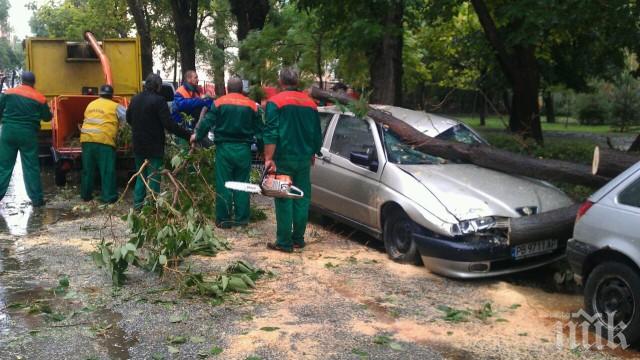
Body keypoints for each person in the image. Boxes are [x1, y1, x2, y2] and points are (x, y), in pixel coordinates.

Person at [263, 68, 322, 253]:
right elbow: (316, 132)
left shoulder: (275, 102)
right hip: (304, 158)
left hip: (283, 158)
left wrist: (268, 158)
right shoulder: (311, 104)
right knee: (301, 197)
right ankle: (298, 239)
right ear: (297, 82)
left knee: (283, 198)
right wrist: (313, 152)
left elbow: (271, 131)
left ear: (281, 81)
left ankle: (284, 242)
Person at [190, 77, 262, 228]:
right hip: (243, 150)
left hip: (224, 149)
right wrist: (262, 149)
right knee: (242, 184)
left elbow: (207, 122)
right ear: (241, 89)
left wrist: (197, 136)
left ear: (228, 89)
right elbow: (260, 131)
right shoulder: (252, 105)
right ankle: (242, 220)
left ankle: (223, 220)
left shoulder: (219, 103)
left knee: (224, 184)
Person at [127, 74, 192, 209]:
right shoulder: (159, 100)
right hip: (154, 146)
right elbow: (168, 124)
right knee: (154, 176)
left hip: (138, 144)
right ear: (158, 86)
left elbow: (128, 119)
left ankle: (138, 205)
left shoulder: (135, 99)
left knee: (141, 176)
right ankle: (152, 207)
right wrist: (187, 135)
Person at [0, 71, 52, 207]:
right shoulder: (39, 98)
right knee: (31, 167)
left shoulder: (9, 93)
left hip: (8, 132)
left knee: (4, 166)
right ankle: (37, 200)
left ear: (21, 80)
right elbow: (47, 117)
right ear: (34, 83)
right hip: (28, 134)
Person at [79, 84, 125, 203]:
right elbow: (127, 117)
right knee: (107, 170)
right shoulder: (115, 106)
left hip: (86, 139)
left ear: (100, 94)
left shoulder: (91, 104)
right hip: (104, 140)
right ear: (111, 95)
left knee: (87, 170)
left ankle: (86, 195)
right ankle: (108, 197)